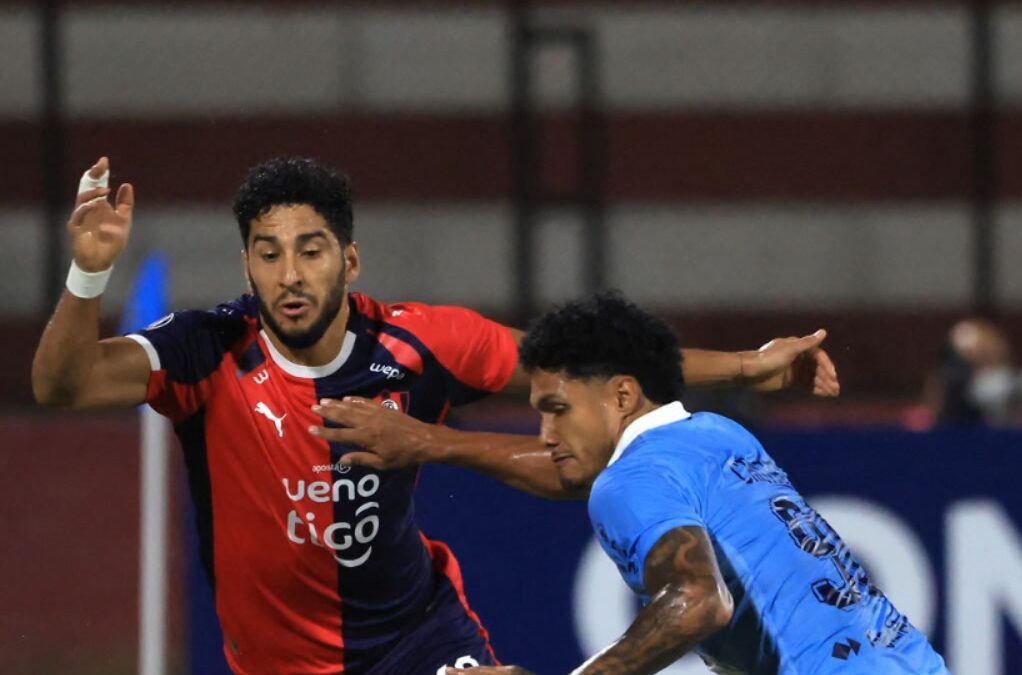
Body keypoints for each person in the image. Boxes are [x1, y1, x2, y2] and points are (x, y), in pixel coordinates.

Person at [32, 156, 839, 675]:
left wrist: (747, 364)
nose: (289, 274)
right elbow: (62, 385)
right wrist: (86, 277)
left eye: (310, 249)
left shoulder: (420, 342)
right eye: (268, 252)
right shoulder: (206, 350)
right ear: (246, 262)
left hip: (418, 642)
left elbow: (583, 369)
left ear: (349, 260)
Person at [429, 292, 946, 675]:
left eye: (558, 410)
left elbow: (699, 602)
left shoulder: (626, 480)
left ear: (623, 396)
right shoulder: (718, 434)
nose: (546, 435)